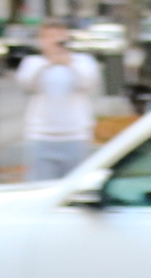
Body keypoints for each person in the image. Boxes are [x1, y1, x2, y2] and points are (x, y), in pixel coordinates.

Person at [14, 21, 103, 182]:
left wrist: (68, 63)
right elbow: (27, 84)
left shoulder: (82, 61)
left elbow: (88, 83)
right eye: (49, 37)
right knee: (40, 186)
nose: (54, 41)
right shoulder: (33, 63)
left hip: (75, 135)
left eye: (59, 37)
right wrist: (48, 63)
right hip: (41, 135)